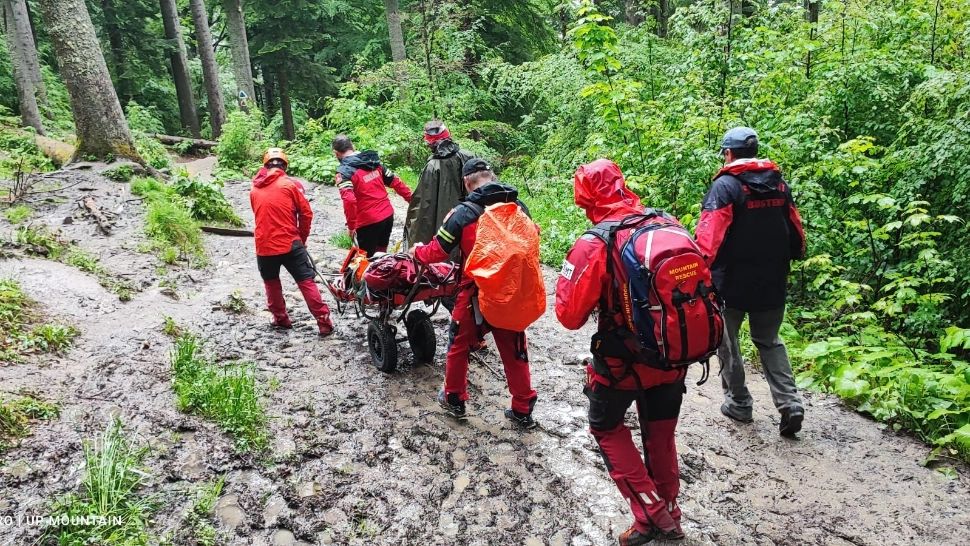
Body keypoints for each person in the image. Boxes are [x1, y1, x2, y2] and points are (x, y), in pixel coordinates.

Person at [556, 159, 687, 545]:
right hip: (672, 354)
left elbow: (568, 315)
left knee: (606, 427)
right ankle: (670, 513)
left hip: (621, 363)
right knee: (660, 435)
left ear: (583, 196)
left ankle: (653, 516)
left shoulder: (596, 241)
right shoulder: (668, 225)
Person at [409, 158, 539, 428]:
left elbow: (438, 251)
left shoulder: (464, 213)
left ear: (467, 183)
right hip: (509, 291)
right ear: (492, 176)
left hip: (475, 292)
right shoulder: (518, 207)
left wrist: (416, 252)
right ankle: (523, 407)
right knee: (515, 348)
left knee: (458, 344)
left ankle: (454, 398)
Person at [695, 126, 807, 437]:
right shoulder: (779, 185)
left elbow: (708, 240)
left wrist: (698, 274)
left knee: (727, 342)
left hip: (730, 281)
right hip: (772, 278)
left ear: (728, 154)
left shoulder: (726, 187)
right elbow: (796, 229)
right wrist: (793, 258)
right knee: (769, 340)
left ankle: (740, 403)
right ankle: (789, 403)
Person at [250, 148, 334, 336]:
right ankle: (323, 321)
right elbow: (306, 214)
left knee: (271, 283)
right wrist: (302, 240)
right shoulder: (290, 185)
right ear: (284, 166)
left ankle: (280, 318)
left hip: (264, 245)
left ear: (265, 166)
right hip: (290, 242)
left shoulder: (254, 188)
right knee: (306, 281)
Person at [332, 135, 413, 257]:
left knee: (366, 260)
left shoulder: (344, 172)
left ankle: (369, 275)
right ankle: (383, 273)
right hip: (387, 217)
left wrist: (351, 226)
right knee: (381, 255)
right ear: (352, 146)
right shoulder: (372, 161)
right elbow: (396, 182)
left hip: (367, 223)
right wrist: (413, 201)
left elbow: (349, 200)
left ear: (336, 153)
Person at [403, 120, 473, 252]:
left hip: (443, 227)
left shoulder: (432, 167)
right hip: (468, 217)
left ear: (431, 144)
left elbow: (422, 205)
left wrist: (413, 233)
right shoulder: (468, 157)